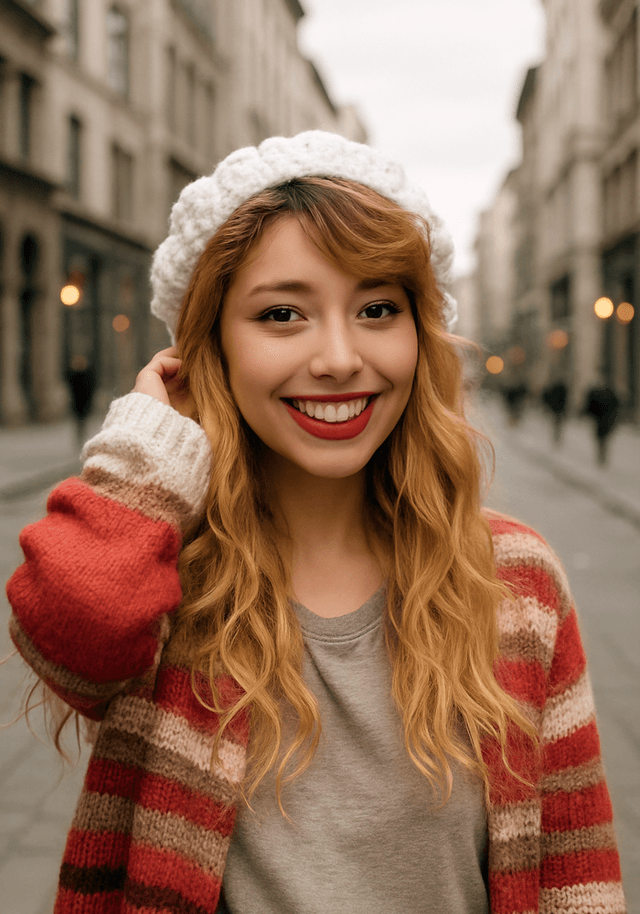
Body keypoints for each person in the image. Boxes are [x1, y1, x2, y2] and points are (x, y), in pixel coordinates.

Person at [6, 132, 626, 914]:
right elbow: (75, 635)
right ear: (210, 350)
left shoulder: (516, 581)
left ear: (418, 335)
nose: (338, 357)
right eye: (282, 314)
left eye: (376, 309)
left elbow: (578, 871)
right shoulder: (160, 571)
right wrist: (146, 457)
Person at [584, 378, 620, 466]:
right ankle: (602, 455)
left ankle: (601, 455)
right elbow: (617, 405)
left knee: (601, 438)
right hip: (605, 419)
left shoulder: (597, 393)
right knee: (603, 439)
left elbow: (590, 406)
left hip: (601, 420)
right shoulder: (610, 393)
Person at [66, 354, 97, 450]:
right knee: (79, 422)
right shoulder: (74, 375)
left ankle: (82, 438)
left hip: (84, 402)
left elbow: (91, 389)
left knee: (82, 422)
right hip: (77, 402)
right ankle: (80, 438)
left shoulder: (87, 374)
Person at [542, 379, 568, 445]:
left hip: (557, 409)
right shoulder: (562, 391)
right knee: (557, 423)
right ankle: (556, 436)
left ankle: (556, 436)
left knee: (557, 423)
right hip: (558, 409)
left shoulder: (558, 390)